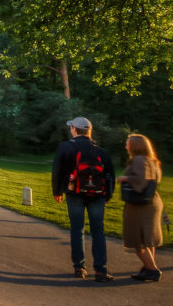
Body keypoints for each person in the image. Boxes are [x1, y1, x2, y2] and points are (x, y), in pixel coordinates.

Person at [52, 116, 116, 282]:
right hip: (97, 196)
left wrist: (57, 190)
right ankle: (101, 270)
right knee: (98, 231)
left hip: (74, 193)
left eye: (71, 127)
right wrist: (107, 195)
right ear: (89, 131)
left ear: (74, 129)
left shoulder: (66, 147)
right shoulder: (101, 151)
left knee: (77, 229)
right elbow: (110, 175)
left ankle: (79, 267)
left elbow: (58, 170)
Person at [116, 133, 163, 282]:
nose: (126, 146)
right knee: (146, 237)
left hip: (140, 205)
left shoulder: (138, 160)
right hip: (151, 202)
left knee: (136, 238)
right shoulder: (151, 160)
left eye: (128, 143)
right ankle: (148, 267)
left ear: (135, 146)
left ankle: (152, 269)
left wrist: (124, 178)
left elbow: (141, 181)